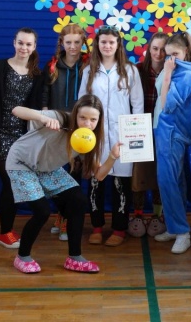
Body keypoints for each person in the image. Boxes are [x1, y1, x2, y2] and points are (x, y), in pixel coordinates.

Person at [7, 94, 119, 274]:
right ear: (75, 115)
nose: (87, 124)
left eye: (93, 120)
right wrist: (43, 118)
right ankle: (22, 256)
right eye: (82, 118)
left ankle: (74, 257)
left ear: (99, 121)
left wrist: (112, 156)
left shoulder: (89, 139)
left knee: (78, 200)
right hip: (22, 163)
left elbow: (98, 175)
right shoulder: (60, 118)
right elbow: (16, 110)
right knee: (42, 211)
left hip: (47, 168)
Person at [78, 25, 144, 247]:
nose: (107, 46)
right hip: (94, 135)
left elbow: (137, 105)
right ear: (97, 44)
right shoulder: (89, 70)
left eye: (111, 42)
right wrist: (84, 131)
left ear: (118, 45)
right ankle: (97, 228)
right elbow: (82, 103)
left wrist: (135, 137)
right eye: (103, 42)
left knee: (121, 185)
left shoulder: (129, 70)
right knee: (95, 182)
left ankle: (119, 229)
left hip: (122, 135)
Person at [0, 28, 42, 250]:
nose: (24, 47)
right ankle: (5, 233)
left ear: (34, 47)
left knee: (15, 184)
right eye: (20, 43)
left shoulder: (37, 74)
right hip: (0, 135)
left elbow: (35, 109)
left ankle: (7, 230)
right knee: (10, 181)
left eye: (28, 44)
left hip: (23, 138)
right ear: (14, 43)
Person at [152, 33, 191, 254]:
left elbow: (167, 104)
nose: (171, 59)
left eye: (175, 54)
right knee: (176, 181)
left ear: (185, 52)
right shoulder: (180, 70)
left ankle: (182, 232)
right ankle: (175, 227)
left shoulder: (187, 74)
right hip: (163, 129)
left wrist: (166, 74)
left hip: (172, 131)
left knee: (168, 181)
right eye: (168, 55)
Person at [42, 24, 88, 241]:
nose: (73, 47)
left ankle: (69, 219)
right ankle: (61, 214)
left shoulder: (89, 65)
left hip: (80, 126)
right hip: (56, 125)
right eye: (68, 42)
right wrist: (45, 118)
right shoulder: (52, 66)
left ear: (83, 43)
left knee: (74, 174)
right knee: (55, 174)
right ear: (62, 43)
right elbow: (44, 94)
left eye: (77, 42)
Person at [129, 33, 169, 238]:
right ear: (148, 49)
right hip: (139, 129)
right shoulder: (137, 70)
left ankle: (157, 216)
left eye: (163, 50)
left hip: (163, 129)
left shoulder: (173, 72)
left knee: (160, 173)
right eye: (155, 48)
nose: (159, 53)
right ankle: (137, 214)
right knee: (138, 172)